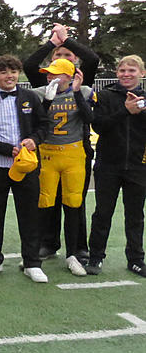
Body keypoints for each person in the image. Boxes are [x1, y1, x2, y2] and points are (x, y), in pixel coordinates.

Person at [23, 23, 99, 261]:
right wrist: (52, 44)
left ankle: (78, 246)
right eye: (58, 56)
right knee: (48, 199)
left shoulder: (81, 84)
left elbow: (93, 59)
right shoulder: (44, 84)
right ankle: (49, 242)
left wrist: (67, 41)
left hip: (77, 149)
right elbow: (28, 65)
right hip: (48, 150)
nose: (62, 57)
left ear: (74, 64)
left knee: (76, 199)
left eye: (67, 56)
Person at [0, 55, 51, 282]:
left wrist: (34, 140)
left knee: (29, 214)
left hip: (26, 167)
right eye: (4, 71)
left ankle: (32, 262)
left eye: (13, 71)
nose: (9, 76)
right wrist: (8, 150)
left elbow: (44, 124)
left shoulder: (29, 97)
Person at [33, 58, 94, 275]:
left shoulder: (84, 92)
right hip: (48, 154)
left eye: (55, 74)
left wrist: (77, 92)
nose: (50, 77)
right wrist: (48, 101)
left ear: (69, 77)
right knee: (45, 203)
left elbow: (90, 118)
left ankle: (73, 253)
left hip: (73, 154)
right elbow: (36, 122)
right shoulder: (40, 93)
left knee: (73, 204)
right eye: (49, 73)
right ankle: (37, 252)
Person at [87, 55, 146, 276]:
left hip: (139, 166)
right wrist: (125, 111)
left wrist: (140, 110)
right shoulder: (105, 96)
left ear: (142, 73)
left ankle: (136, 259)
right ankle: (96, 257)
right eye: (122, 70)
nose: (126, 74)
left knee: (135, 215)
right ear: (117, 73)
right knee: (102, 213)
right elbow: (99, 126)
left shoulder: (145, 98)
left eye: (132, 70)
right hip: (108, 165)